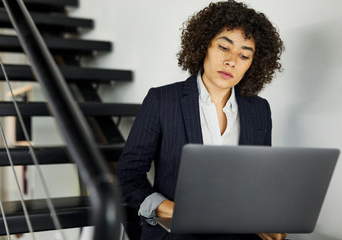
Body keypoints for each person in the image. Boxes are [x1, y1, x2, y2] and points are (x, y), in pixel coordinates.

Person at [117, 1, 285, 240]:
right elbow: (128, 177)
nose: (232, 61)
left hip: (237, 229)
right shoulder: (162, 100)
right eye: (224, 48)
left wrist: (265, 218)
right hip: (177, 230)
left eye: (244, 55)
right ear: (204, 45)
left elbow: (257, 183)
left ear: (253, 63)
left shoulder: (259, 109)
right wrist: (173, 210)